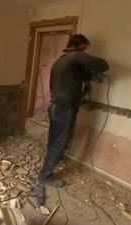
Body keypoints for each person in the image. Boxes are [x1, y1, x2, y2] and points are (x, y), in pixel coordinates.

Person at [37, 34, 109, 187]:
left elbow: (78, 76)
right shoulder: (75, 56)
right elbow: (103, 65)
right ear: (81, 46)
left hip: (55, 105)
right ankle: (45, 176)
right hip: (64, 107)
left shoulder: (60, 61)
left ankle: (53, 160)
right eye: (85, 49)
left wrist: (89, 76)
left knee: (54, 139)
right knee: (59, 142)